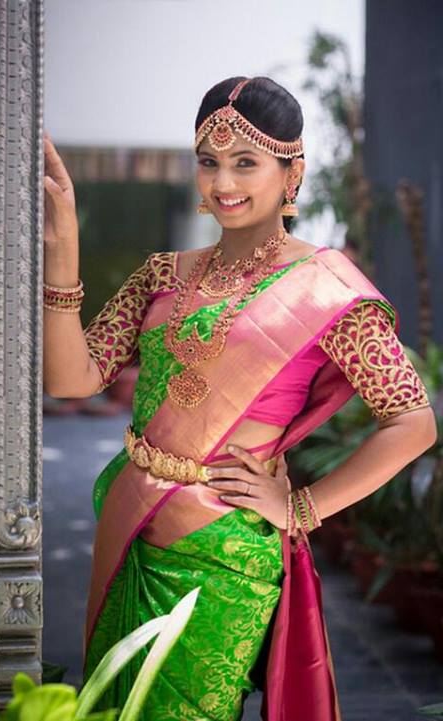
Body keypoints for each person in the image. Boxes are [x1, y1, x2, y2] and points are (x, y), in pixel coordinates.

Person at [42, 76, 436, 720]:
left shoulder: (329, 292)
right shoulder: (164, 272)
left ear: (292, 172)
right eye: (209, 162)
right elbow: (72, 379)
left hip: (222, 552)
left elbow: (413, 422)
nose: (223, 184)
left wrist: (303, 507)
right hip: (130, 524)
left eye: (245, 163)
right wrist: (63, 255)